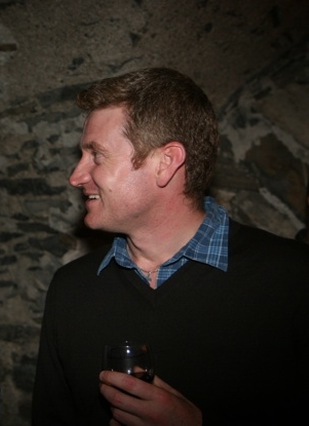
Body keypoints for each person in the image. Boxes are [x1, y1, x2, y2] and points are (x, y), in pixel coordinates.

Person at [31, 67, 309, 425]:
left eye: (96, 155)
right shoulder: (71, 288)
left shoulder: (293, 280)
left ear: (166, 163)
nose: (76, 176)